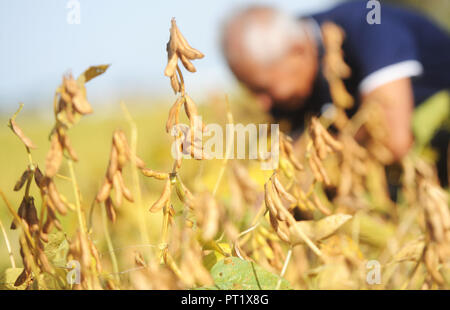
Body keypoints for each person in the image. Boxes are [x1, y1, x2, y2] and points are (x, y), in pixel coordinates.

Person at [222, 1, 450, 186]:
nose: (262, 104)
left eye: (263, 89)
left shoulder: (369, 25)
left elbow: (392, 140)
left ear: (297, 51)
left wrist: (316, 159)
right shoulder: (291, 90)